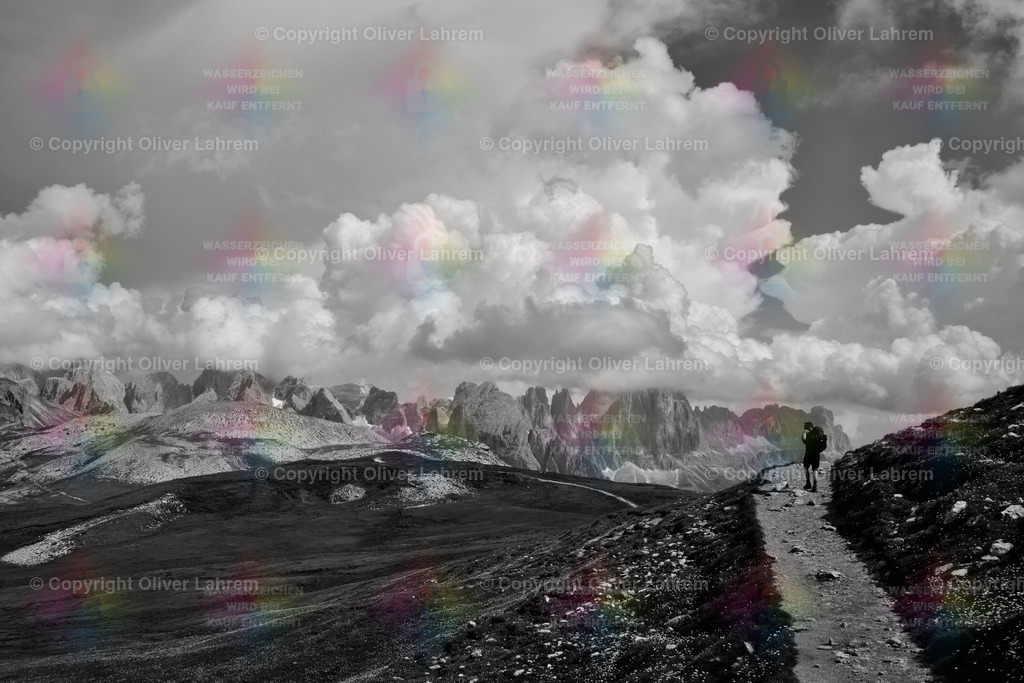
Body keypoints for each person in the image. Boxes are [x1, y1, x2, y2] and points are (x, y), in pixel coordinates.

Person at [801, 421, 827, 492]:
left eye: (806, 427)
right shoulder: (819, 435)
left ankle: (808, 483)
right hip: (816, 454)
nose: (805, 428)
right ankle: (815, 486)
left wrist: (804, 433)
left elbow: (804, 441)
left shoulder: (808, 435)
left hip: (808, 454)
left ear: (809, 427)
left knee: (806, 468)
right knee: (815, 470)